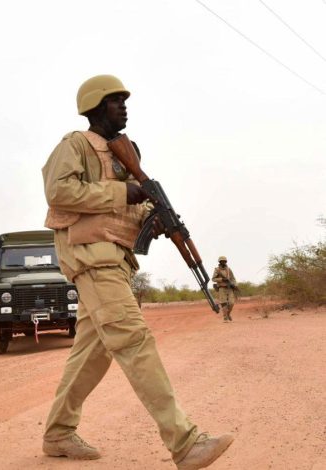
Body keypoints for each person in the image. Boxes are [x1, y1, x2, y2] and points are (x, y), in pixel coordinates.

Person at [40, 75, 233, 469]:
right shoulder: (75, 144)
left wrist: (150, 215)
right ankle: (185, 443)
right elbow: (58, 192)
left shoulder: (123, 154)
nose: (124, 106)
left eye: (124, 100)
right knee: (134, 340)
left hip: (114, 258)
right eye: (116, 100)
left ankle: (58, 433)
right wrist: (122, 192)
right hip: (91, 257)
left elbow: (127, 203)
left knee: (92, 354)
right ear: (95, 106)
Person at [212, 256, 237, 322]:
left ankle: (228, 314)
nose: (223, 262)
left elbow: (233, 278)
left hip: (229, 288)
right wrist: (222, 279)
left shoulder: (228, 269)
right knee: (223, 303)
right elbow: (213, 279)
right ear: (219, 262)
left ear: (226, 262)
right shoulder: (217, 270)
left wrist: (234, 285)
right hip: (222, 288)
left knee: (231, 303)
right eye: (222, 261)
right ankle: (225, 318)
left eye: (224, 261)